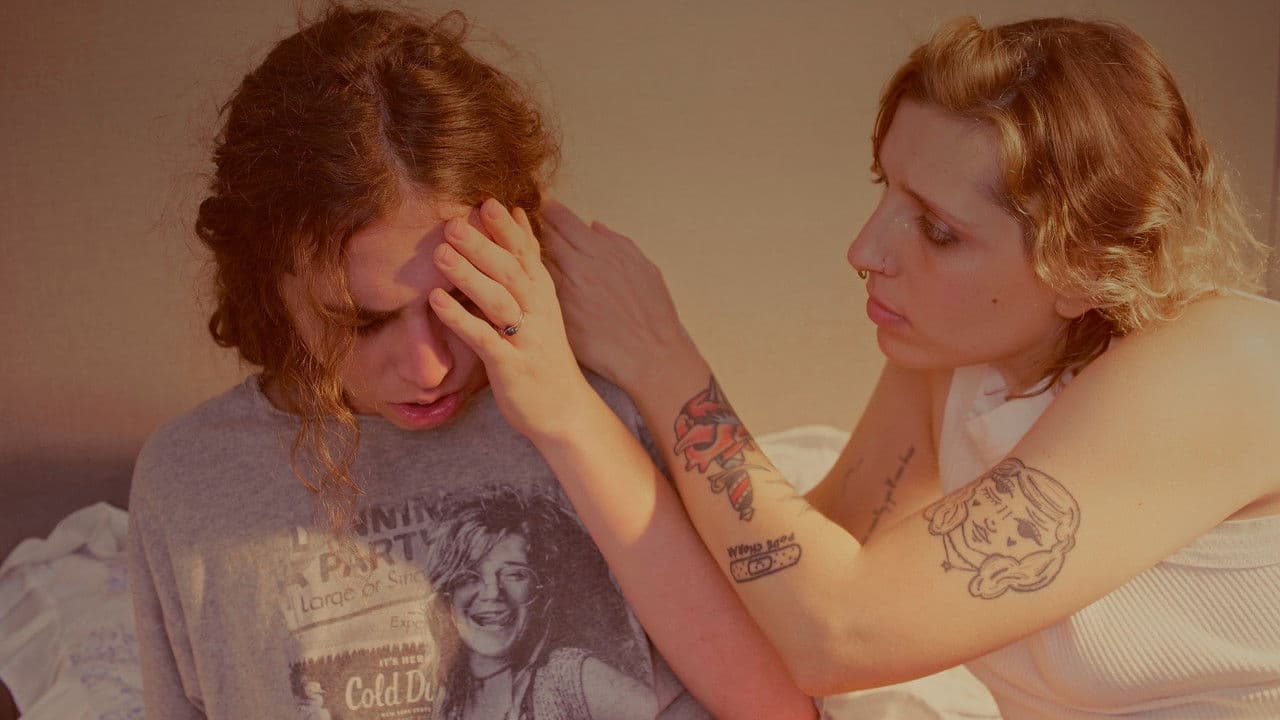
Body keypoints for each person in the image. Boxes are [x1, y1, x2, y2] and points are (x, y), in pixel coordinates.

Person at [426, 16, 1280, 719]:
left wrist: (662, 360)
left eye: (937, 231)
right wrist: (571, 416)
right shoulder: (958, 356)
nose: (865, 251)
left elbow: (836, 634)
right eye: (886, 190)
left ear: (1084, 268)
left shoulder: (1227, 362)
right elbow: (783, 585)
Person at [125, 6, 814, 719]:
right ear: (268, 284)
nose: (429, 368)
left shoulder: (606, 403)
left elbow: (780, 710)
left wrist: (567, 419)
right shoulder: (190, 479)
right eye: (361, 322)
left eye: (462, 301)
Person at [421, 486, 651, 719]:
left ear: (543, 589)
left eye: (515, 574)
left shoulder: (566, 676)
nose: (492, 593)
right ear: (446, 594)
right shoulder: (449, 698)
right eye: (469, 577)